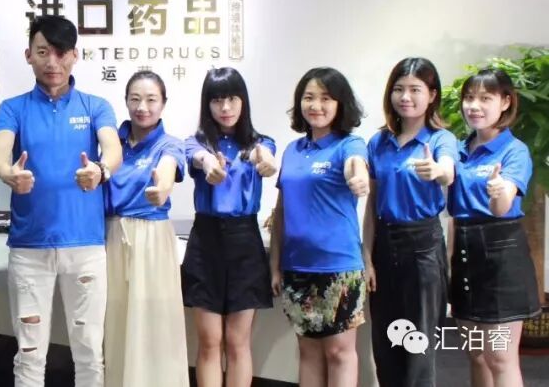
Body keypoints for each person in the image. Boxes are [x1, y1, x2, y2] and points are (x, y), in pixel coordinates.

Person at [0, 15, 122, 387]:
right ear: (28, 55)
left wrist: (100, 170)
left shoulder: (95, 106)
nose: (52, 62)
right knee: (29, 354)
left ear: (74, 56)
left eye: (61, 53)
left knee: (89, 352)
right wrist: (8, 173)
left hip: (85, 247)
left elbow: (112, 149)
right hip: (29, 248)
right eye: (43, 52)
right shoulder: (13, 108)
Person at [270, 67, 369, 387]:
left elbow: (356, 166)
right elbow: (281, 211)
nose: (316, 105)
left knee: (340, 353)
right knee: (308, 351)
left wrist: (359, 178)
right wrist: (275, 265)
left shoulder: (349, 145)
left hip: (338, 267)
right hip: (296, 267)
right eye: (309, 97)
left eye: (326, 98)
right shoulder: (292, 150)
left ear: (340, 104)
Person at [363, 58, 456, 387]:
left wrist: (438, 171)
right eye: (399, 89)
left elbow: (447, 170)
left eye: (415, 90)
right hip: (384, 246)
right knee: (386, 343)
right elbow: (372, 204)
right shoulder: (378, 142)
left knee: (418, 345)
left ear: (432, 95)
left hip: (422, 248)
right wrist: (366, 258)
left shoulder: (440, 140)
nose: (405, 97)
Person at [181, 67, 276, 387]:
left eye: (232, 99)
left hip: (244, 240)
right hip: (205, 241)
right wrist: (210, 164)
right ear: (206, 104)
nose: (225, 107)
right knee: (209, 341)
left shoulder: (260, 143)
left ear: (243, 101)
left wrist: (266, 161)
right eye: (217, 100)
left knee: (238, 342)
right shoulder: (195, 143)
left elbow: (266, 156)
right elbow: (199, 158)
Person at [449, 68, 539, 387]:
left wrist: (499, 191)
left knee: (500, 356)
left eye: (485, 98)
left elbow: (502, 207)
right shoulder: (458, 149)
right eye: (469, 98)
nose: (474, 106)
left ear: (505, 102)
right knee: (475, 353)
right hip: (464, 252)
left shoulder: (515, 151)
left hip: (501, 256)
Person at [103, 70, 189, 387]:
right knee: (115, 319)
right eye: (135, 99)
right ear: (126, 101)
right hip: (112, 236)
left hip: (152, 237)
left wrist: (161, 189)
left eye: (151, 100)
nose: (143, 107)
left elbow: (167, 170)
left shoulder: (170, 144)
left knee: (155, 323)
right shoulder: (111, 142)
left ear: (163, 103)